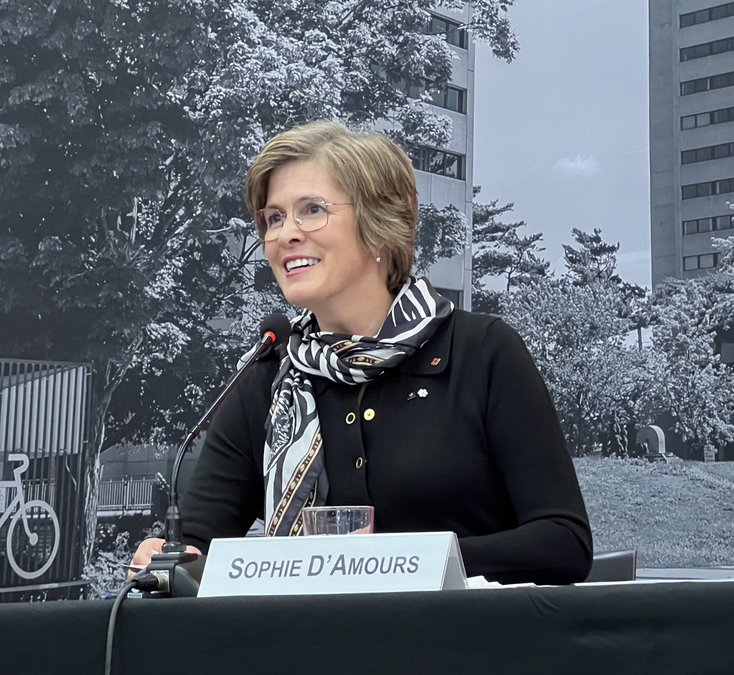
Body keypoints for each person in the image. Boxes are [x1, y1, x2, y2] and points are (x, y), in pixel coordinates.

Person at [132, 120, 592, 584]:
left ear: (378, 226)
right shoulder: (271, 374)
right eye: (273, 218)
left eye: (311, 209)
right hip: (313, 649)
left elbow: (563, 542)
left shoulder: (482, 351)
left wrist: (396, 565)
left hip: (464, 648)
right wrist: (172, 558)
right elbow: (199, 544)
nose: (284, 234)